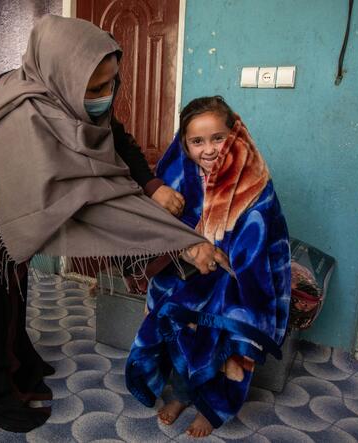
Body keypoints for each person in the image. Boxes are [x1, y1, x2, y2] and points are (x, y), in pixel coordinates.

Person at [0, 16, 225, 432]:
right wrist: (182, 242)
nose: (104, 97)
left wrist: (149, 184)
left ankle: (14, 364)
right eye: (95, 89)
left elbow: (116, 138)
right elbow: (90, 202)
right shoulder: (25, 116)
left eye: (111, 83)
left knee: (11, 281)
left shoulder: (69, 90)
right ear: (62, 76)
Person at [125, 96, 291, 438]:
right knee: (175, 325)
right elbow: (157, 228)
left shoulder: (254, 181)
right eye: (197, 141)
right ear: (184, 145)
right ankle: (184, 395)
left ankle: (213, 409)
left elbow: (262, 240)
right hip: (186, 270)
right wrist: (189, 250)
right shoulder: (175, 176)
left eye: (218, 138)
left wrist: (223, 262)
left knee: (227, 332)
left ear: (235, 135)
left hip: (234, 276)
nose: (209, 149)